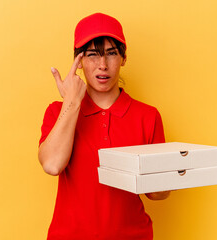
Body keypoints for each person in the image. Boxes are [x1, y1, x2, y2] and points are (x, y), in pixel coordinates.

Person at [38, 13, 170, 240]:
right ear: (78, 62)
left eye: (111, 54)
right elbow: (51, 165)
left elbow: (158, 193)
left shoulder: (148, 116)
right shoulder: (57, 112)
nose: (102, 65)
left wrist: (177, 170)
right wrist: (71, 102)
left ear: (123, 58)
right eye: (92, 55)